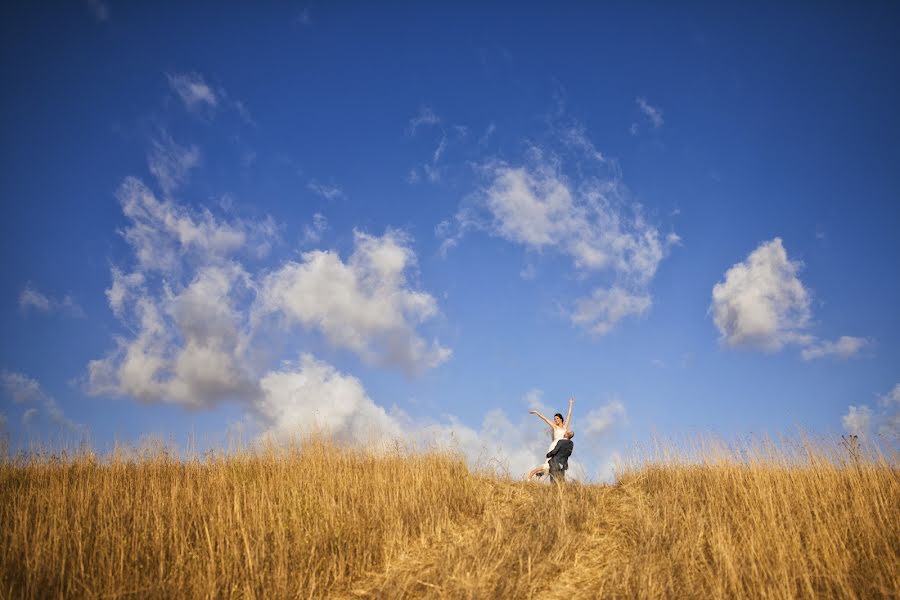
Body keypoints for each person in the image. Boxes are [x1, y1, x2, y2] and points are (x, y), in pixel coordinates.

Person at [527, 397, 574, 480]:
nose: (555, 420)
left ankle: (539, 474)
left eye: (557, 418)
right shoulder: (555, 427)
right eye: (554, 419)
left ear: (561, 419)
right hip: (554, 446)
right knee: (548, 464)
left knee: (554, 466)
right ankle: (531, 474)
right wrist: (536, 412)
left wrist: (570, 404)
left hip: (561, 447)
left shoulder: (565, 427)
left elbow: (569, 415)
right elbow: (545, 419)